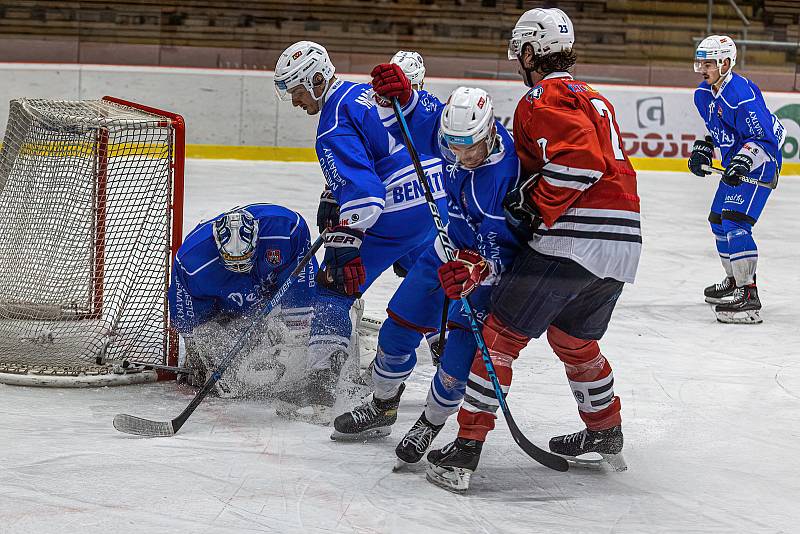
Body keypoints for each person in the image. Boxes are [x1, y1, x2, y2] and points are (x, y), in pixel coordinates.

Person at [425, 8, 641, 492]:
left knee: (499, 336)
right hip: (622, 243)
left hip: (575, 237)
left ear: (529, 52)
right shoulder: (593, 97)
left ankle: (465, 450)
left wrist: (534, 204)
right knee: (572, 339)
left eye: (519, 52)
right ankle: (605, 431)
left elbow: (582, 161)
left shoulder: (539, 97)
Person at [331, 82, 521, 473]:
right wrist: (403, 97)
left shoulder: (505, 178)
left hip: (486, 274)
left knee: (454, 363)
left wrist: (477, 270)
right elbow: (423, 128)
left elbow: (510, 250)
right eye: (453, 146)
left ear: (489, 132)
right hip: (445, 249)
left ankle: (429, 423)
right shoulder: (456, 140)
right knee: (395, 331)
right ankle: (382, 406)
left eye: (469, 147)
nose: (460, 156)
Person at [273, 41, 448, 410]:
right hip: (436, 200)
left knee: (334, 287)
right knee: (426, 277)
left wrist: (346, 243)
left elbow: (367, 196)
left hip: (395, 211)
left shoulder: (331, 123)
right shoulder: (362, 94)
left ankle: (319, 388)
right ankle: (448, 360)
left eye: (297, 90)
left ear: (317, 79)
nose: (294, 101)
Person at [168, 204, 318, 399]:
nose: (240, 267)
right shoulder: (192, 261)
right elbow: (185, 308)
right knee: (206, 335)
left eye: (245, 260)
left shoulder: (286, 229)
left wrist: (299, 324)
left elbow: (301, 279)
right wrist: (193, 348)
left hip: (271, 294)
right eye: (232, 262)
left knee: (297, 330)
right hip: (228, 306)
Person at [688, 35, 784, 324]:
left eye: (709, 63)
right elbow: (720, 131)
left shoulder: (741, 95)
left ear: (725, 63)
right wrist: (704, 147)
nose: (703, 69)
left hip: (761, 163)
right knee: (718, 220)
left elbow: (765, 139)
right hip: (738, 163)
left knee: (735, 221)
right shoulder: (704, 95)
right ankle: (734, 281)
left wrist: (744, 160)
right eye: (701, 63)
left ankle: (749, 295)